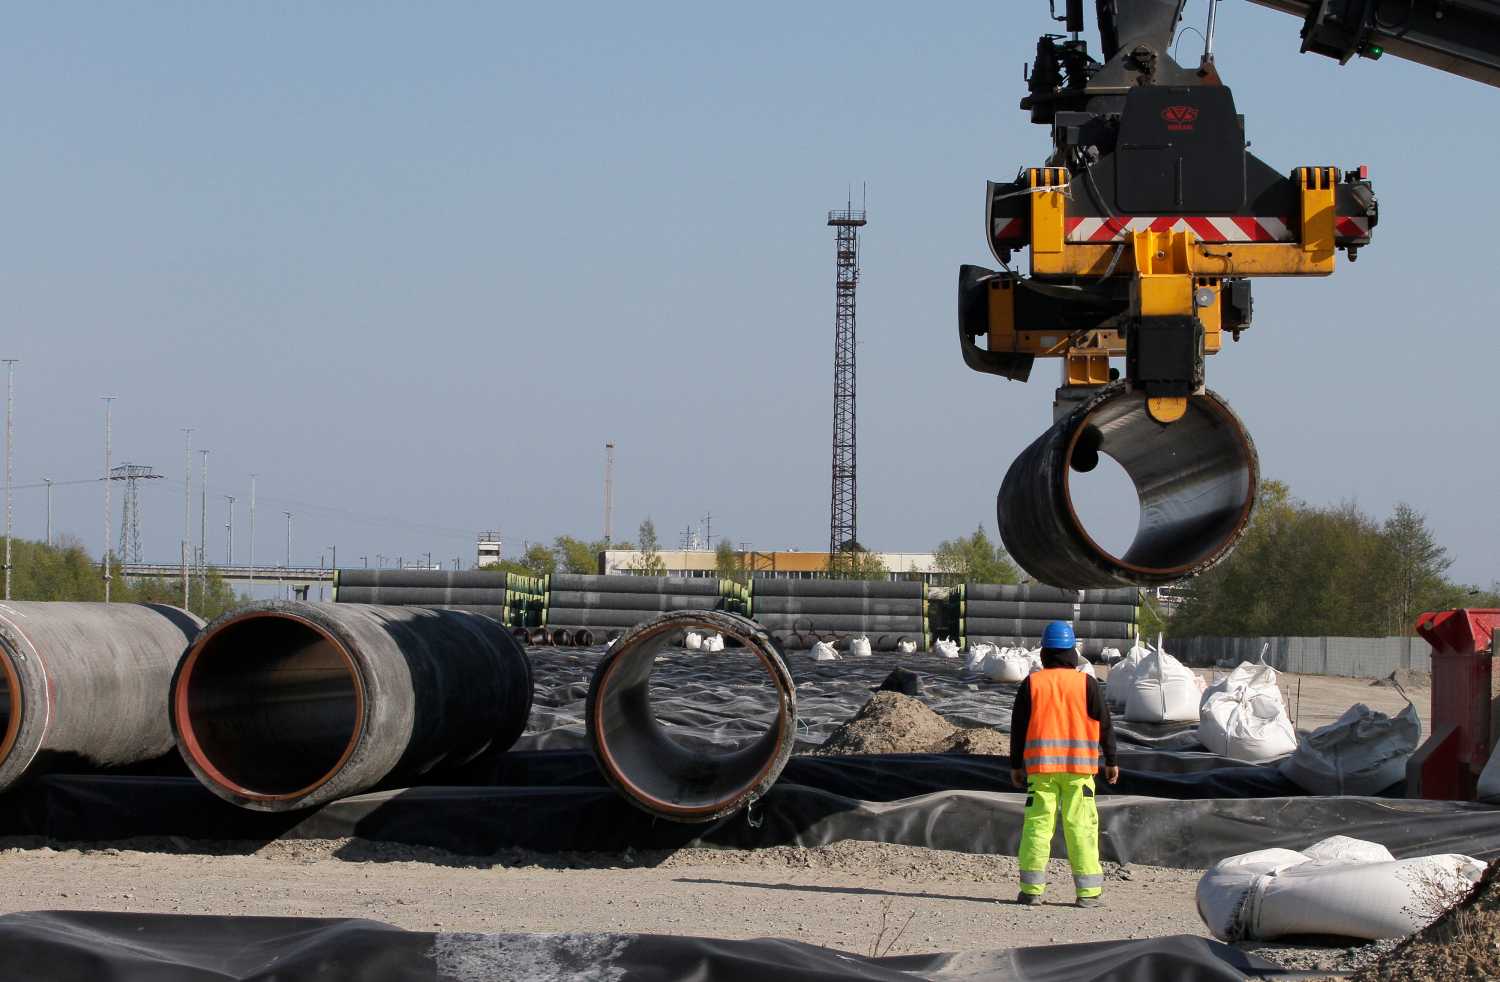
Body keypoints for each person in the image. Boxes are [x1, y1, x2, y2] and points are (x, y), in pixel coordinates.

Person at [1008, 620, 1119, 907]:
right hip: (1079, 772)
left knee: (1037, 827)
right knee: (1081, 828)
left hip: (1041, 771)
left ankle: (1031, 890)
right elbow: (1104, 724)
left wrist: (1016, 766)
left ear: (1044, 652)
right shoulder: (1087, 683)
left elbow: (1018, 728)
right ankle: (1088, 894)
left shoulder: (1032, 684)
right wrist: (1111, 759)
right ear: (1072, 652)